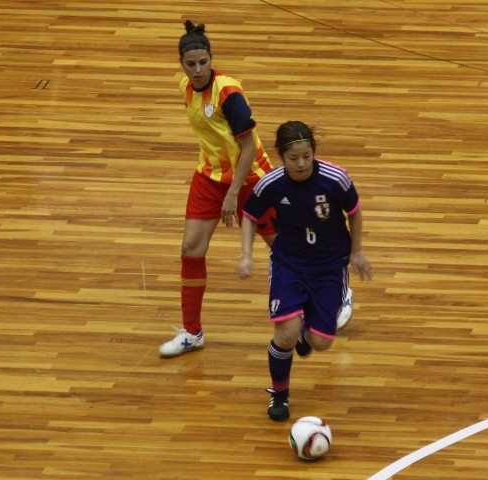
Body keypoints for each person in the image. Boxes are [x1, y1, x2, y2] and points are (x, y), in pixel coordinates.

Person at [237, 121, 372, 421]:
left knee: (321, 342)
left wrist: (357, 251)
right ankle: (279, 395)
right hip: (290, 263)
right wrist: (246, 256)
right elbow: (249, 216)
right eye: (293, 158)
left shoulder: (334, 178)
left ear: (314, 153)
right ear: (281, 157)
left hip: (329, 266)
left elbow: (354, 211)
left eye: (307, 156)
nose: (301, 164)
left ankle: (308, 325)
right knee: (285, 333)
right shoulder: (270, 184)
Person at [159, 20, 277, 358]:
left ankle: (333, 294)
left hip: (250, 177)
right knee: (191, 248)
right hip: (208, 177)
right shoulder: (185, 88)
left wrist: (232, 193)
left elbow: (249, 148)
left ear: (212, 59)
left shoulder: (229, 94)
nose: (197, 70)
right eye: (190, 64)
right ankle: (192, 332)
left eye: (203, 62)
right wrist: (220, 185)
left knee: (283, 246)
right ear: (181, 64)